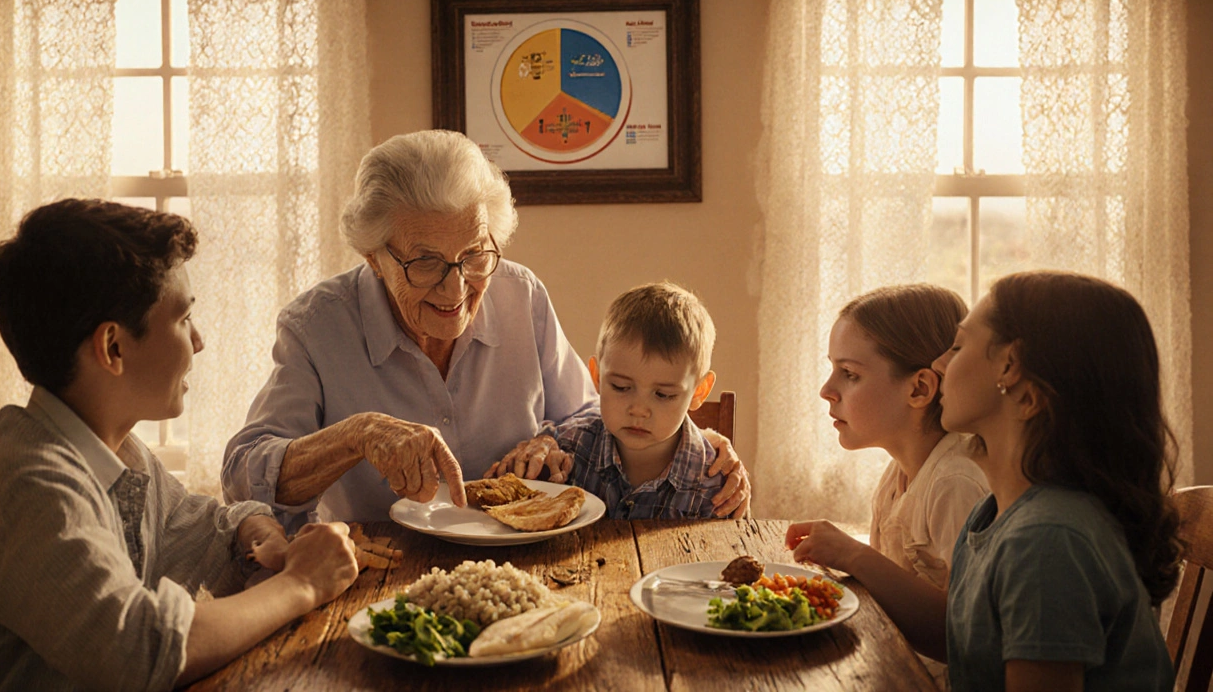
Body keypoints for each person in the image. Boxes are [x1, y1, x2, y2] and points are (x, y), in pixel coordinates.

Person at [222, 130, 750, 528]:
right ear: (373, 256)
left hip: (524, 566)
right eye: (425, 263)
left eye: (474, 255)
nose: (456, 293)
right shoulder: (316, 327)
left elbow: (591, 412)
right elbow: (243, 475)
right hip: (378, 571)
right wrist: (355, 435)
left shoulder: (520, 294)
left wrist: (692, 443)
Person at [0, 199, 361, 690]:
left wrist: (255, 528)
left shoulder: (115, 450)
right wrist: (301, 583)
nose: (197, 341)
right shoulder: (27, 482)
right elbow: (140, 651)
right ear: (113, 348)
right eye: (182, 320)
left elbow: (200, 528)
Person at [791, 271, 1181, 691]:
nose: (940, 363)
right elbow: (960, 643)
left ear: (1020, 385)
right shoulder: (993, 515)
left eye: (958, 347)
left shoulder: (1047, 541)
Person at [783, 284, 988, 686]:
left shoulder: (956, 483)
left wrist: (855, 556)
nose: (827, 390)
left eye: (850, 374)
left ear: (919, 389)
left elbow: (968, 637)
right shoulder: (898, 473)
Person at [486, 282, 726, 518]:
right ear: (597, 377)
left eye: (663, 395)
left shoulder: (716, 484)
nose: (639, 410)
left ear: (699, 392)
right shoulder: (565, 450)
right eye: (621, 387)